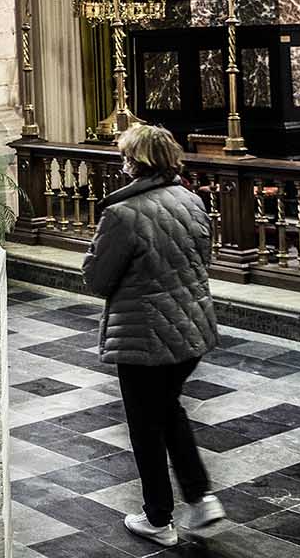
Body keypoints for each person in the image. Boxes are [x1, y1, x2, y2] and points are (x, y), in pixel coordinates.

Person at [81, 124, 224, 547]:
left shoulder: (122, 214)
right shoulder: (192, 201)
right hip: (191, 328)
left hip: (142, 335)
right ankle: (200, 497)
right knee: (166, 409)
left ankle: (159, 518)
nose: (121, 161)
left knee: (146, 425)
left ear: (135, 163)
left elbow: (98, 279)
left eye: (125, 155)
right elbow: (203, 260)